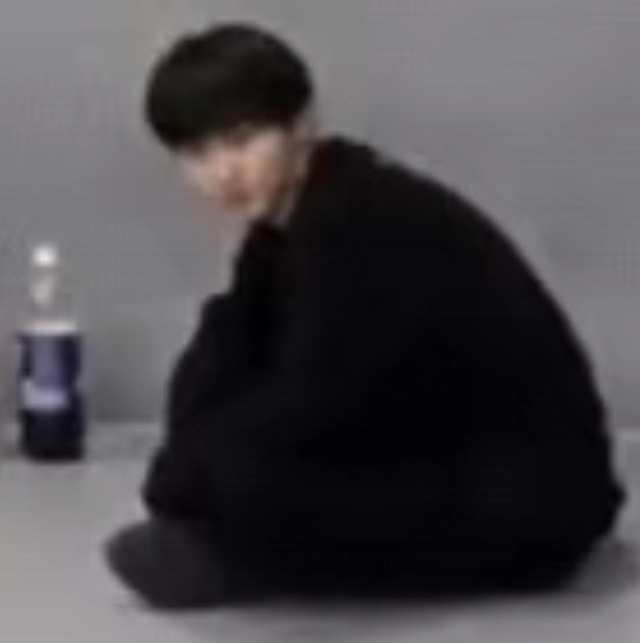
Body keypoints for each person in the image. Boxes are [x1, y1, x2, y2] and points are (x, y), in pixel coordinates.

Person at [104, 22, 626, 610]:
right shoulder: (287, 224)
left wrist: (195, 480)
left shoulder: (358, 221)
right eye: (197, 154)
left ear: (302, 125)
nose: (223, 172)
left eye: (241, 140)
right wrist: (185, 469)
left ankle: (240, 559)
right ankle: (231, 544)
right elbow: (227, 359)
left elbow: (319, 407)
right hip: (468, 466)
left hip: (537, 511)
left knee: (266, 470)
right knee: (239, 417)